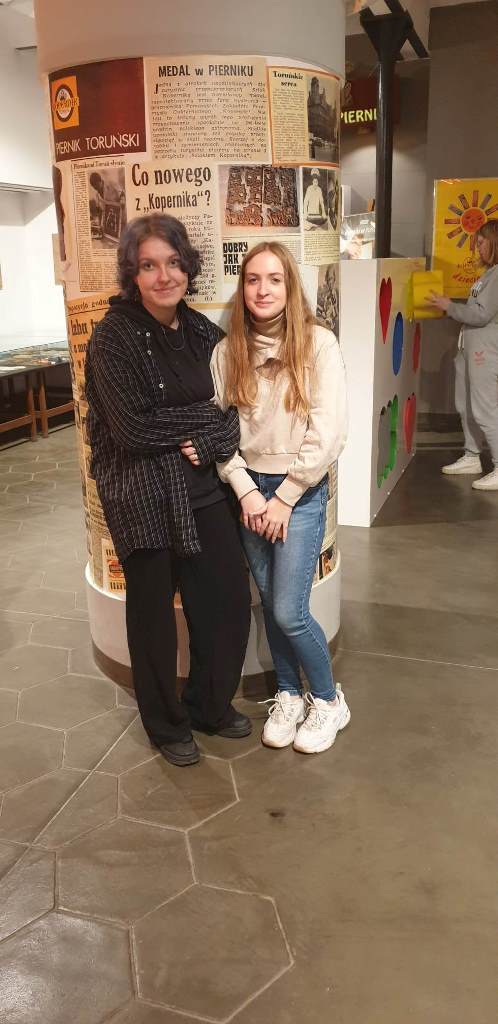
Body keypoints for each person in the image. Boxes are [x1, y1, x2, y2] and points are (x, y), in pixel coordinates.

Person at [85, 214, 251, 767]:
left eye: (174, 263)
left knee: (226, 602)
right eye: (150, 265)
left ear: (188, 268)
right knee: (153, 617)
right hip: (141, 497)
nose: (164, 276)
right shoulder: (112, 337)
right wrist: (204, 423)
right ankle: (165, 725)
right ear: (132, 274)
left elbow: (235, 412)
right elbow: (131, 429)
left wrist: (211, 433)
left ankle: (208, 705)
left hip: (204, 490)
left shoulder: (203, 332)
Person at [206, 241, 349, 754]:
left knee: (289, 611)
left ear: (290, 286)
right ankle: (289, 693)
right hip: (249, 493)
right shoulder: (228, 352)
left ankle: (328, 700)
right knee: (268, 602)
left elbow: (329, 432)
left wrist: (285, 497)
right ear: (242, 288)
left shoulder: (319, 345)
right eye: (252, 279)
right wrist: (245, 489)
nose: (262, 290)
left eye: (274, 279)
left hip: (299, 493)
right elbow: (216, 430)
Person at [428, 219, 498, 490]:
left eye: (481, 242)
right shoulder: (488, 275)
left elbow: (481, 315)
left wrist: (449, 306)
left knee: (484, 408)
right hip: (470, 348)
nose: (477, 248)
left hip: (485, 351)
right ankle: (472, 456)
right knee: (466, 404)